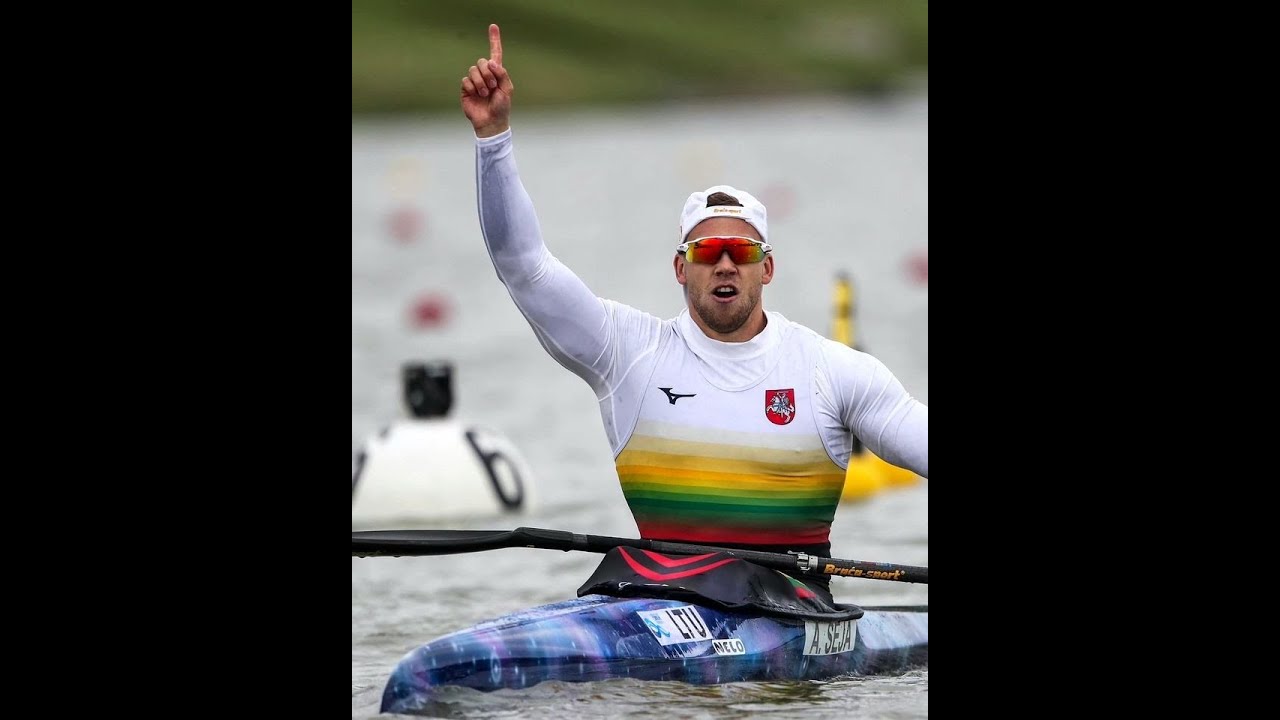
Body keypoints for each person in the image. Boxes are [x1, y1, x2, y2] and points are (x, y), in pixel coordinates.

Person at [460, 24, 926, 598]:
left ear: (767, 269)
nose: (725, 265)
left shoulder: (832, 372)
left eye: (742, 252)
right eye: (708, 252)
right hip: (660, 600)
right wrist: (494, 139)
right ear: (681, 268)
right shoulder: (626, 353)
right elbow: (522, 265)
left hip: (792, 610)